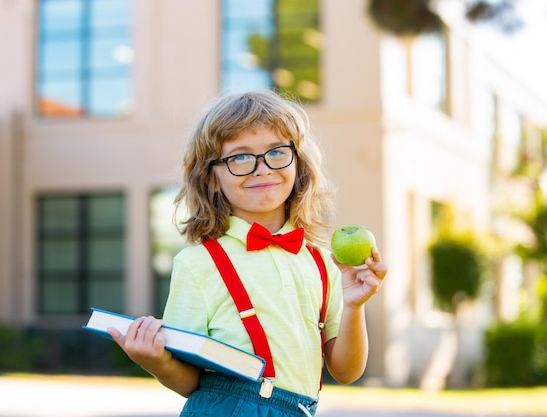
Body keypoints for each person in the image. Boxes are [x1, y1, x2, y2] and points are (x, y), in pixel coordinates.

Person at [108, 89, 387, 416]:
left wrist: (355, 305)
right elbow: (190, 380)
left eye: (277, 152)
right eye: (240, 157)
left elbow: (346, 371)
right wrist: (156, 362)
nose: (262, 168)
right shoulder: (198, 264)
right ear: (212, 177)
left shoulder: (322, 263)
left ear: (297, 163)